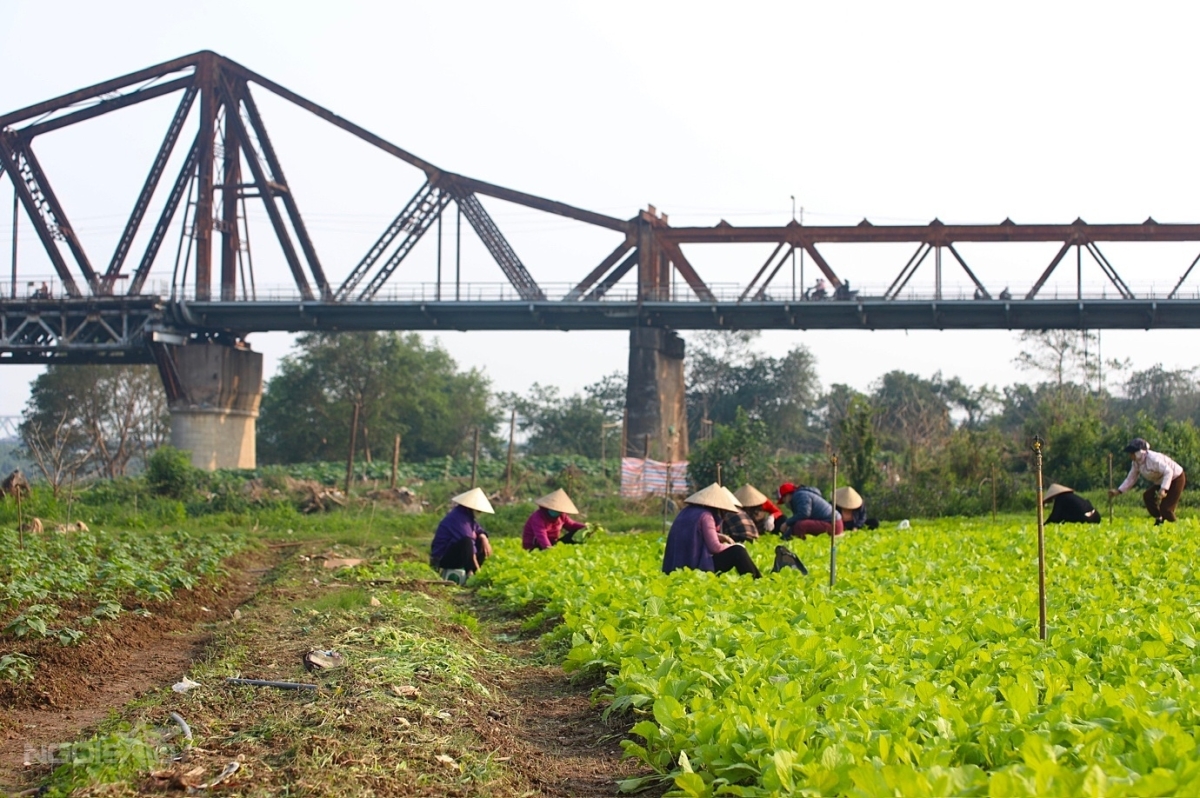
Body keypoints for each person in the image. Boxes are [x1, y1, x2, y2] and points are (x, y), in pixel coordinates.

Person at [663, 483, 761, 578]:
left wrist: (719, 536)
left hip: (676, 566)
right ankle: (756, 580)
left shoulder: (686, 511)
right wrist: (732, 546)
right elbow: (714, 547)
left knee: (737, 549)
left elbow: (694, 534)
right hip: (695, 567)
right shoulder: (706, 516)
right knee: (738, 551)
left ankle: (758, 578)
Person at [1109, 437, 1186, 524]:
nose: (1130, 455)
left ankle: (1175, 527)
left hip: (1176, 478)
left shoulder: (1153, 459)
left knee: (1166, 508)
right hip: (1161, 480)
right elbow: (1131, 478)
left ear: (1139, 452)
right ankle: (1159, 518)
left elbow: (1169, 471)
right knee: (1148, 496)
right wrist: (1118, 491)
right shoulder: (1136, 463)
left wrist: (1163, 489)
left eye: (1132, 453)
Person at [430, 487, 494, 581]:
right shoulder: (458, 518)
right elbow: (469, 546)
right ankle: (471, 574)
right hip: (442, 557)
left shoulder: (468, 517)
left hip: (453, 554)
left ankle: (473, 573)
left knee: (480, 542)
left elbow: (478, 529)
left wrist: (484, 538)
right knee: (467, 542)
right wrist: (477, 569)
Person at [522, 488, 588, 550]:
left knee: (577, 533)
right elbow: (541, 536)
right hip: (535, 546)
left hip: (552, 543)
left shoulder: (562, 516)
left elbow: (572, 525)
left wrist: (586, 527)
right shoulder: (538, 517)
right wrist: (549, 549)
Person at [778, 482, 843, 539]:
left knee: (800, 526)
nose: (784, 502)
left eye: (784, 499)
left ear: (787, 495)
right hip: (832, 522)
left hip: (833, 524)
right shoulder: (800, 495)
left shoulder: (800, 496)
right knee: (797, 524)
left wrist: (787, 523)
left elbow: (804, 514)